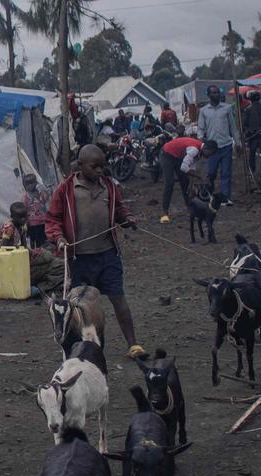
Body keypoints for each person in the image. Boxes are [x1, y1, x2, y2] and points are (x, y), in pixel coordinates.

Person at [44, 144, 146, 359]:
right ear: (80, 166)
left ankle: (133, 344)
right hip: (79, 258)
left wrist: (126, 219)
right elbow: (52, 219)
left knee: (119, 299)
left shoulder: (109, 185)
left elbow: (118, 210)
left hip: (108, 254)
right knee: (80, 306)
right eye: (95, 166)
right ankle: (81, 349)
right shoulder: (66, 189)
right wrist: (58, 237)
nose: (100, 170)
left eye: (103, 166)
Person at [197, 84, 240, 202]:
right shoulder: (204, 111)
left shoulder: (227, 108)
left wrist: (238, 143)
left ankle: (225, 198)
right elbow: (200, 128)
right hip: (212, 148)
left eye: (218, 92)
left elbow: (233, 127)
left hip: (226, 145)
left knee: (226, 173)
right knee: (211, 173)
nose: (217, 95)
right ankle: (210, 196)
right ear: (209, 95)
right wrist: (201, 142)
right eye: (214, 93)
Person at [156, 132, 205, 224]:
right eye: (209, 154)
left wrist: (193, 174)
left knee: (185, 182)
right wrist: (197, 176)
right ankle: (165, 212)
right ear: (206, 149)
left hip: (177, 156)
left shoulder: (199, 149)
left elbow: (192, 164)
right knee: (169, 183)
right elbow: (184, 168)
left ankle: (190, 208)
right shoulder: (194, 149)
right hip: (166, 154)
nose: (208, 157)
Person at [20, 173, 53, 250]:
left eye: (32, 183)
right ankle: (35, 252)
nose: (29, 186)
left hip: (43, 221)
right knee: (34, 239)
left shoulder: (40, 193)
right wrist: (25, 221)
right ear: (24, 185)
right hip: (32, 223)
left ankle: (42, 251)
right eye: (27, 184)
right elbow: (23, 208)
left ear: (36, 183)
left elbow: (45, 200)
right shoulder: (26, 196)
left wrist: (48, 192)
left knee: (43, 238)